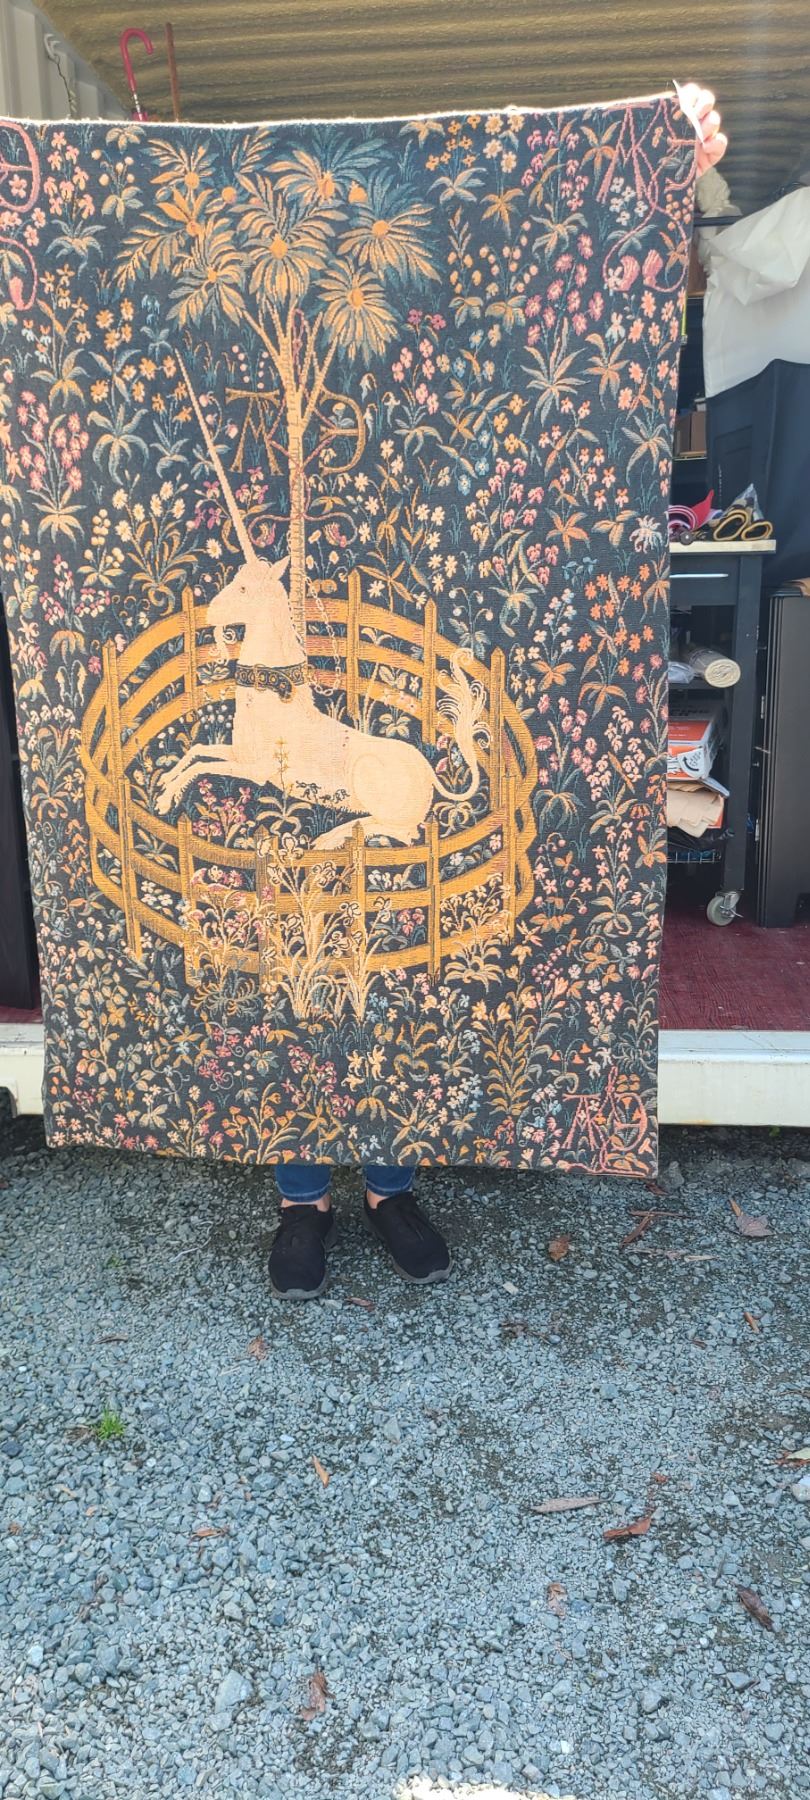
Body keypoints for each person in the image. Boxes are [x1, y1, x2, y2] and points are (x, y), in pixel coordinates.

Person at [268, 83, 726, 1302]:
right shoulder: (286, 414)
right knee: (302, 949)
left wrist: (663, 166)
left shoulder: (434, 389)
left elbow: (565, 270)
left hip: (410, 679)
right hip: (315, 702)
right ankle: (302, 1193)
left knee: (402, 949)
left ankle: (392, 1179)